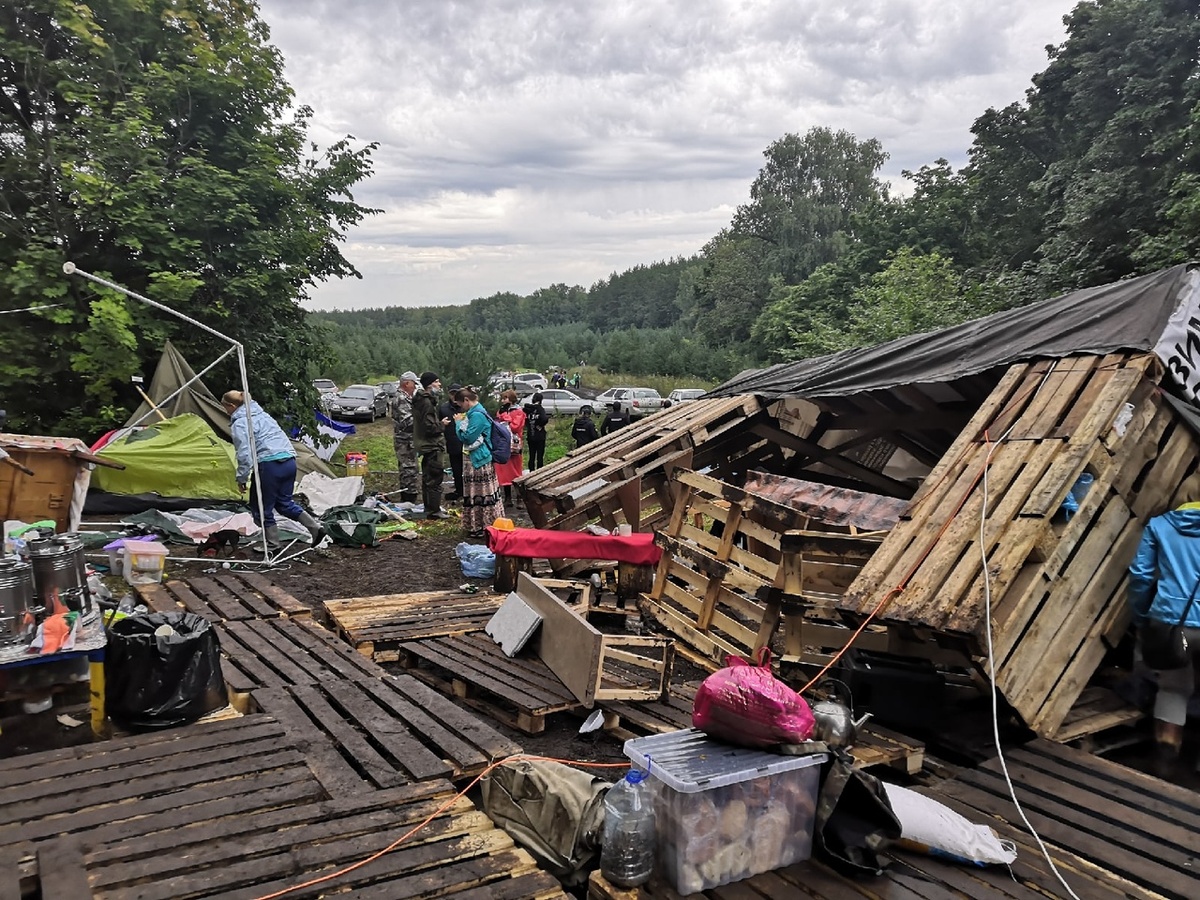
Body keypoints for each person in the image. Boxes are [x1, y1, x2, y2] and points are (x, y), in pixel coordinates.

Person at [1128, 501, 1200, 775]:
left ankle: (1165, 761)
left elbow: (1141, 575)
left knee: (1173, 688)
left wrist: (1142, 616)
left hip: (1171, 623)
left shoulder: (1160, 526)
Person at [222, 390, 324, 548]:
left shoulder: (240, 423)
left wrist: (242, 478)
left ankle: (272, 544)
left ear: (231, 406)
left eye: (225, 407)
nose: (225, 411)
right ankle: (315, 528)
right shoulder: (263, 416)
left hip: (269, 465)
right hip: (289, 461)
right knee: (284, 503)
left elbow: (244, 453)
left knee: (261, 508)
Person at [454, 387, 505, 537]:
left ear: (466, 400)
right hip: (480, 458)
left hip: (478, 460)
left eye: (460, 404)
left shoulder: (476, 415)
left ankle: (482, 526)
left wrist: (458, 424)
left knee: (480, 493)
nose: (460, 408)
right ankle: (483, 525)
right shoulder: (477, 412)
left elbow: (468, 438)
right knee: (483, 493)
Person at [414, 372, 449, 519]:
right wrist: (442, 425)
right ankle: (434, 510)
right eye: (436, 381)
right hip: (432, 445)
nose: (439, 384)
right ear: (429, 384)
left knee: (427, 478)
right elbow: (430, 428)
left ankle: (429, 508)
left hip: (424, 445)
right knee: (435, 478)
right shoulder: (426, 403)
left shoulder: (420, 400)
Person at [496, 389, 527, 507]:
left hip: (514, 445)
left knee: (516, 471)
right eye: (502, 398)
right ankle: (507, 498)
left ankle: (519, 498)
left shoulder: (518, 411)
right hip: (504, 445)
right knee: (504, 471)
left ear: (511, 399)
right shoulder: (502, 411)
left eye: (505, 398)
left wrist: (505, 416)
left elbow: (515, 427)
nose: (503, 401)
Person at [392, 372, 420, 503]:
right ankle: (408, 499)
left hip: (407, 440)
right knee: (408, 469)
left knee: (408, 469)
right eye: (414, 384)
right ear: (407, 383)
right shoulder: (402, 398)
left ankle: (408, 496)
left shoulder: (405, 397)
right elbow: (407, 421)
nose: (414, 387)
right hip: (405, 441)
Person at [439, 383, 465, 501]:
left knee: (468, 469)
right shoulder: (443, 408)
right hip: (452, 443)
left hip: (467, 443)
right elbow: (437, 424)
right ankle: (459, 491)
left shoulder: (466, 407)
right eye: (452, 393)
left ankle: (469, 491)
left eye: (457, 393)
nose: (454, 396)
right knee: (456, 469)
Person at [525, 392, 550, 470]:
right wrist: (540, 426)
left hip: (530, 435)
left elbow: (525, 418)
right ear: (540, 400)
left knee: (531, 456)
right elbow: (545, 419)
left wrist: (528, 425)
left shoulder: (528, 409)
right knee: (539, 456)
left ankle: (531, 472)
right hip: (540, 436)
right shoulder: (540, 409)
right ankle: (539, 472)